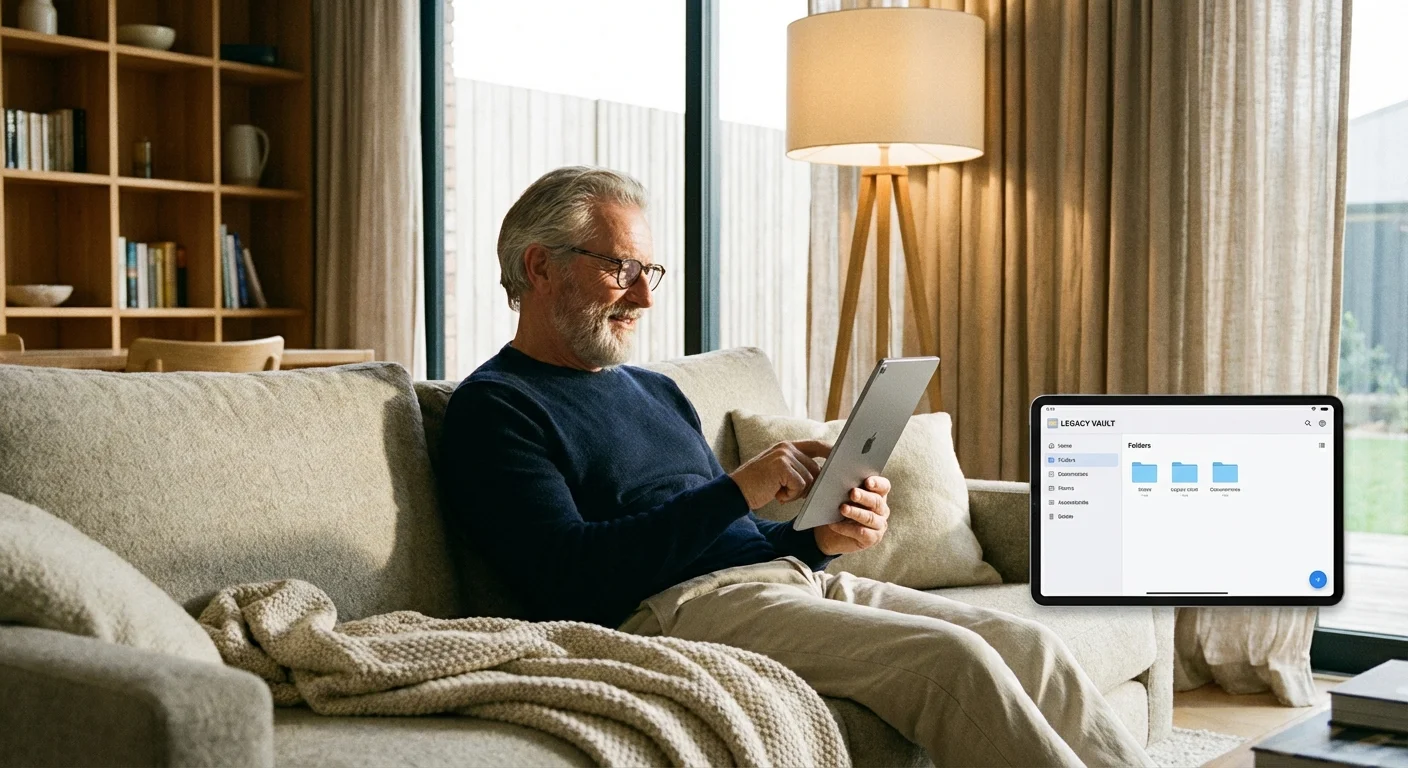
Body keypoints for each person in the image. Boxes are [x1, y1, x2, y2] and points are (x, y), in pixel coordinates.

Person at [440, 166, 1152, 767]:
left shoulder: (654, 390)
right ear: (540, 266)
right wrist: (737, 489)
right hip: (668, 615)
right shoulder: (497, 409)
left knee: (1031, 646)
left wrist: (817, 541)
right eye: (620, 269)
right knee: (950, 666)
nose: (645, 297)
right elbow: (569, 574)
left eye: (648, 270)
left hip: (781, 585)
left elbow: (728, 543)